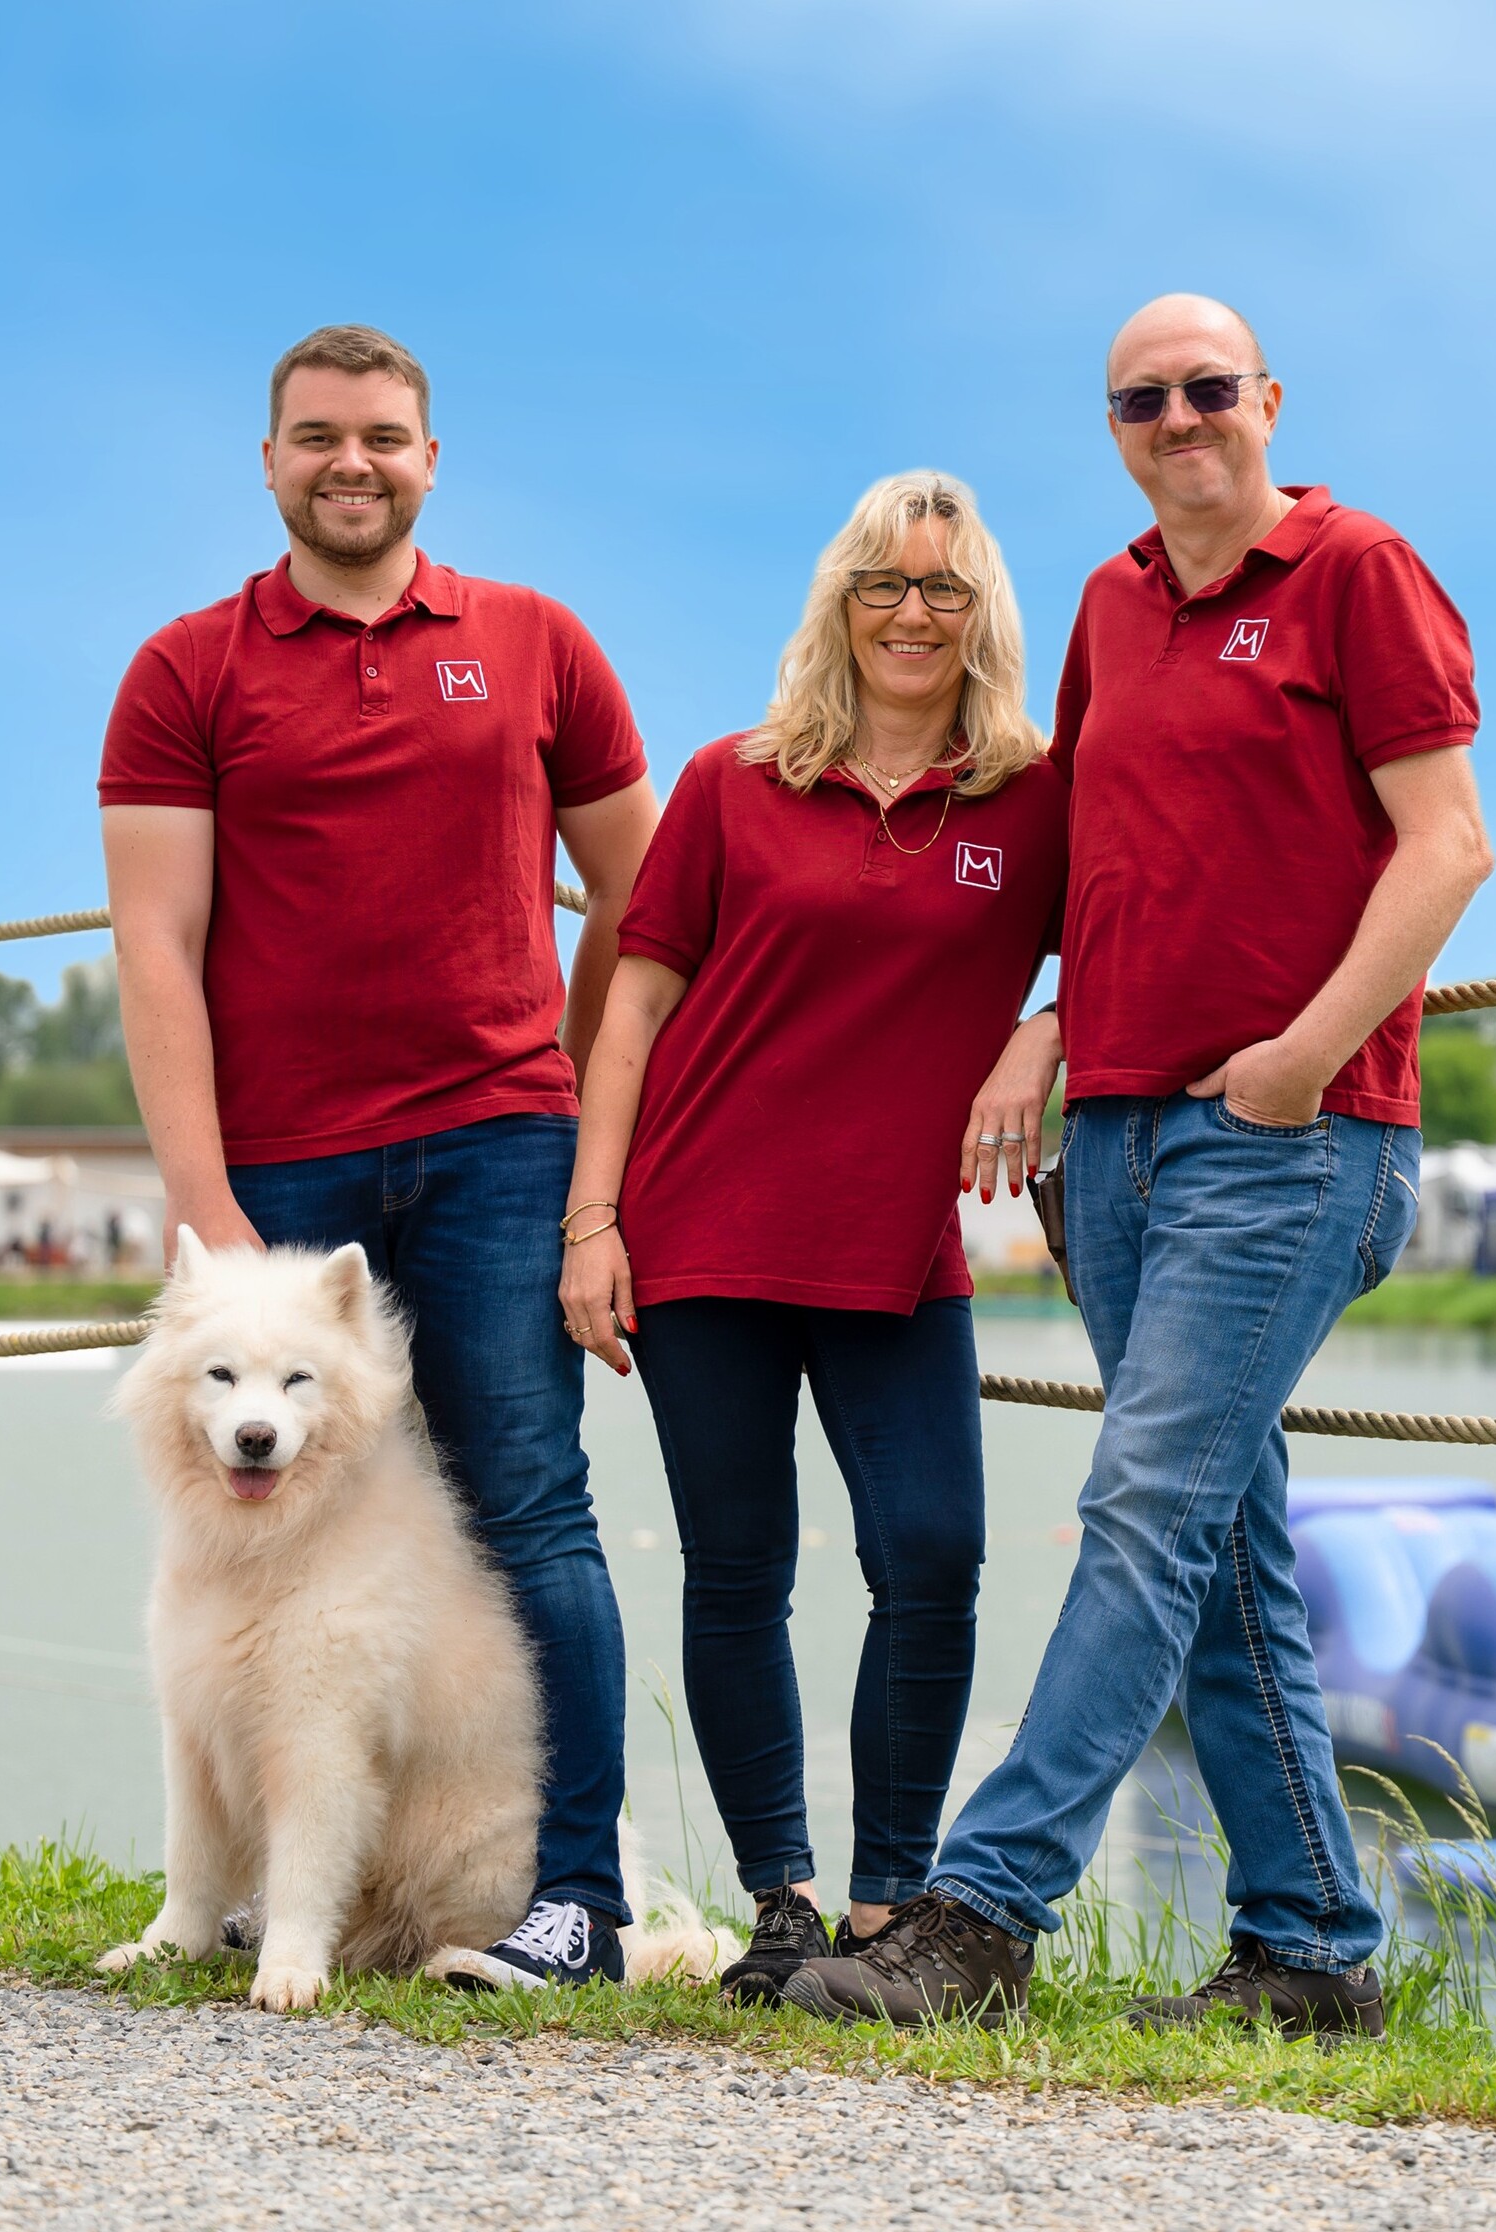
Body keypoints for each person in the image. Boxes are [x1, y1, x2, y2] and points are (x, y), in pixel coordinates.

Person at [784, 295, 1495, 2037]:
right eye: (1137, 401)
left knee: (1138, 1512)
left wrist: (1301, 1062)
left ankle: (980, 1914)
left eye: (1203, 390)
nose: (1175, 419)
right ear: (1112, 429)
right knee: (1217, 1549)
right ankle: (1313, 1951)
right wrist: (1042, 1022)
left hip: (1288, 1140)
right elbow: (1103, 844)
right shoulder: (1109, 603)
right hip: (1108, 1144)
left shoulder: (1358, 573)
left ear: (1264, 399)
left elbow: (1449, 844)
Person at [99, 324, 660, 1988]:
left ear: (432, 458)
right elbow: (156, 947)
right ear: (268, 460)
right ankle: (237, 1888)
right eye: (319, 436)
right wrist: (206, 1216)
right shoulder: (185, 670)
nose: (353, 462)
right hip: (281, 1177)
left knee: (530, 1516)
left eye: (385, 437)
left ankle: (575, 1904)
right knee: (240, 1530)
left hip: (499, 1149)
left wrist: (559, 1082)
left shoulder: (536, 641)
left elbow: (644, 898)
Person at [559, 472, 1067, 2004]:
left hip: (897, 1244)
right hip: (703, 1221)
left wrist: (1040, 1034)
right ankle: (779, 1900)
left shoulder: (1035, 797)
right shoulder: (733, 780)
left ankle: (889, 1903)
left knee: (934, 1555)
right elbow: (634, 1004)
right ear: (837, 607)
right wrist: (593, 1218)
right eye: (882, 586)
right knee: (739, 1568)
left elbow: (1131, 947)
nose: (911, 615)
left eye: (943, 588)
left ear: (981, 615)